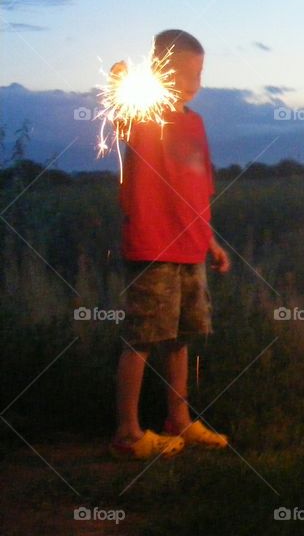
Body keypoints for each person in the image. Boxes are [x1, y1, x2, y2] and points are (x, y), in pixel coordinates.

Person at [110, 29, 232, 459]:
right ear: (159, 70)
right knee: (142, 337)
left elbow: (197, 188)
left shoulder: (195, 124)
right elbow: (120, 115)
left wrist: (210, 241)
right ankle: (127, 433)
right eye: (180, 71)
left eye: (197, 71)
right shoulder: (144, 117)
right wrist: (119, 80)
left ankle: (178, 420)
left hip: (190, 249)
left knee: (181, 337)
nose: (191, 80)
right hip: (152, 247)